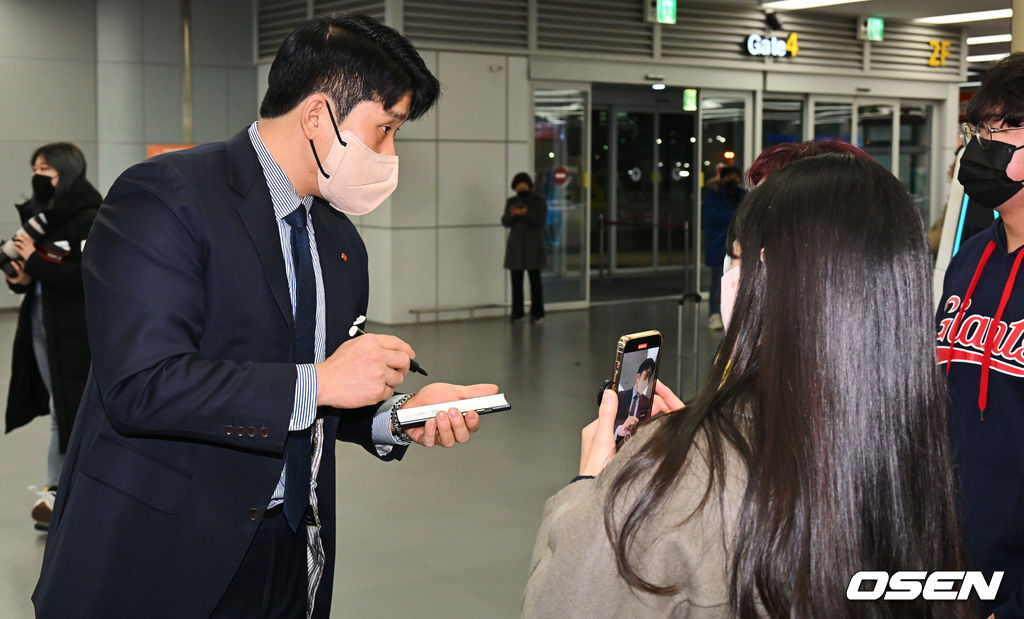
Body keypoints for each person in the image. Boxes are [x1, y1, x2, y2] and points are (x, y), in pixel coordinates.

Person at [33, 15, 495, 619]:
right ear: (317, 116)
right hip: (160, 553)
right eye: (383, 130)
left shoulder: (340, 241)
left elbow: (309, 398)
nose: (389, 154)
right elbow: (141, 385)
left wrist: (396, 417)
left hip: (289, 549)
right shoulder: (164, 197)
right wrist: (323, 380)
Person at [524, 154, 970, 617]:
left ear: (768, 272)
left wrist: (592, 485)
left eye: (735, 257)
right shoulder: (914, 444)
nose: (729, 274)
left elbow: (564, 604)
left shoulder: (674, 472)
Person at [938, 51, 1024, 618]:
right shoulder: (969, 258)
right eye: (978, 128)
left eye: (1005, 126)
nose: (983, 142)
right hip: (951, 560)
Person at [3, 143, 100, 531]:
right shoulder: (42, 218)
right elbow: (35, 276)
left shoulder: (90, 216)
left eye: (47, 169)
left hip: (76, 331)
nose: (39, 175)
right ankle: (59, 490)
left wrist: (34, 262)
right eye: (35, 168)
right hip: (43, 326)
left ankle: (65, 493)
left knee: (71, 411)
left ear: (67, 171)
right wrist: (22, 276)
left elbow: (86, 276)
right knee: (62, 411)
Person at [701, 165, 745, 331]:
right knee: (716, 282)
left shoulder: (741, 194)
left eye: (735, 176)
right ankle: (714, 314)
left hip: (738, 247)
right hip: (718, 245)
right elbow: (711, 217)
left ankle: (733, 315)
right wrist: (735, 217)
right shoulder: (713, 194)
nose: (733, 180)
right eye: (729, 176)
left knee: (736, 281)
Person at [502, 171, 547, 323]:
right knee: (516, 281)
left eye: (523, 185)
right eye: (518, 186)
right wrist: (513, 214)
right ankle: (517, 312)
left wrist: (526, 213)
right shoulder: (511, 201)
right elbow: (505, 221)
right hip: (516, 247)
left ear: (529, 185)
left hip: (533, 246)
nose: (521, 188)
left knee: (535, 281)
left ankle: (538, 312)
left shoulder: (538, 201)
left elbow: (540, 221)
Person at [613, 358, 654, 440]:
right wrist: (619, 429)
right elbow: (609, 424)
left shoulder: (647, 403)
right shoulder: (620, 396)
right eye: (646, 376)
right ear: (638, 377)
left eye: (649, 378)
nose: (647, 382)